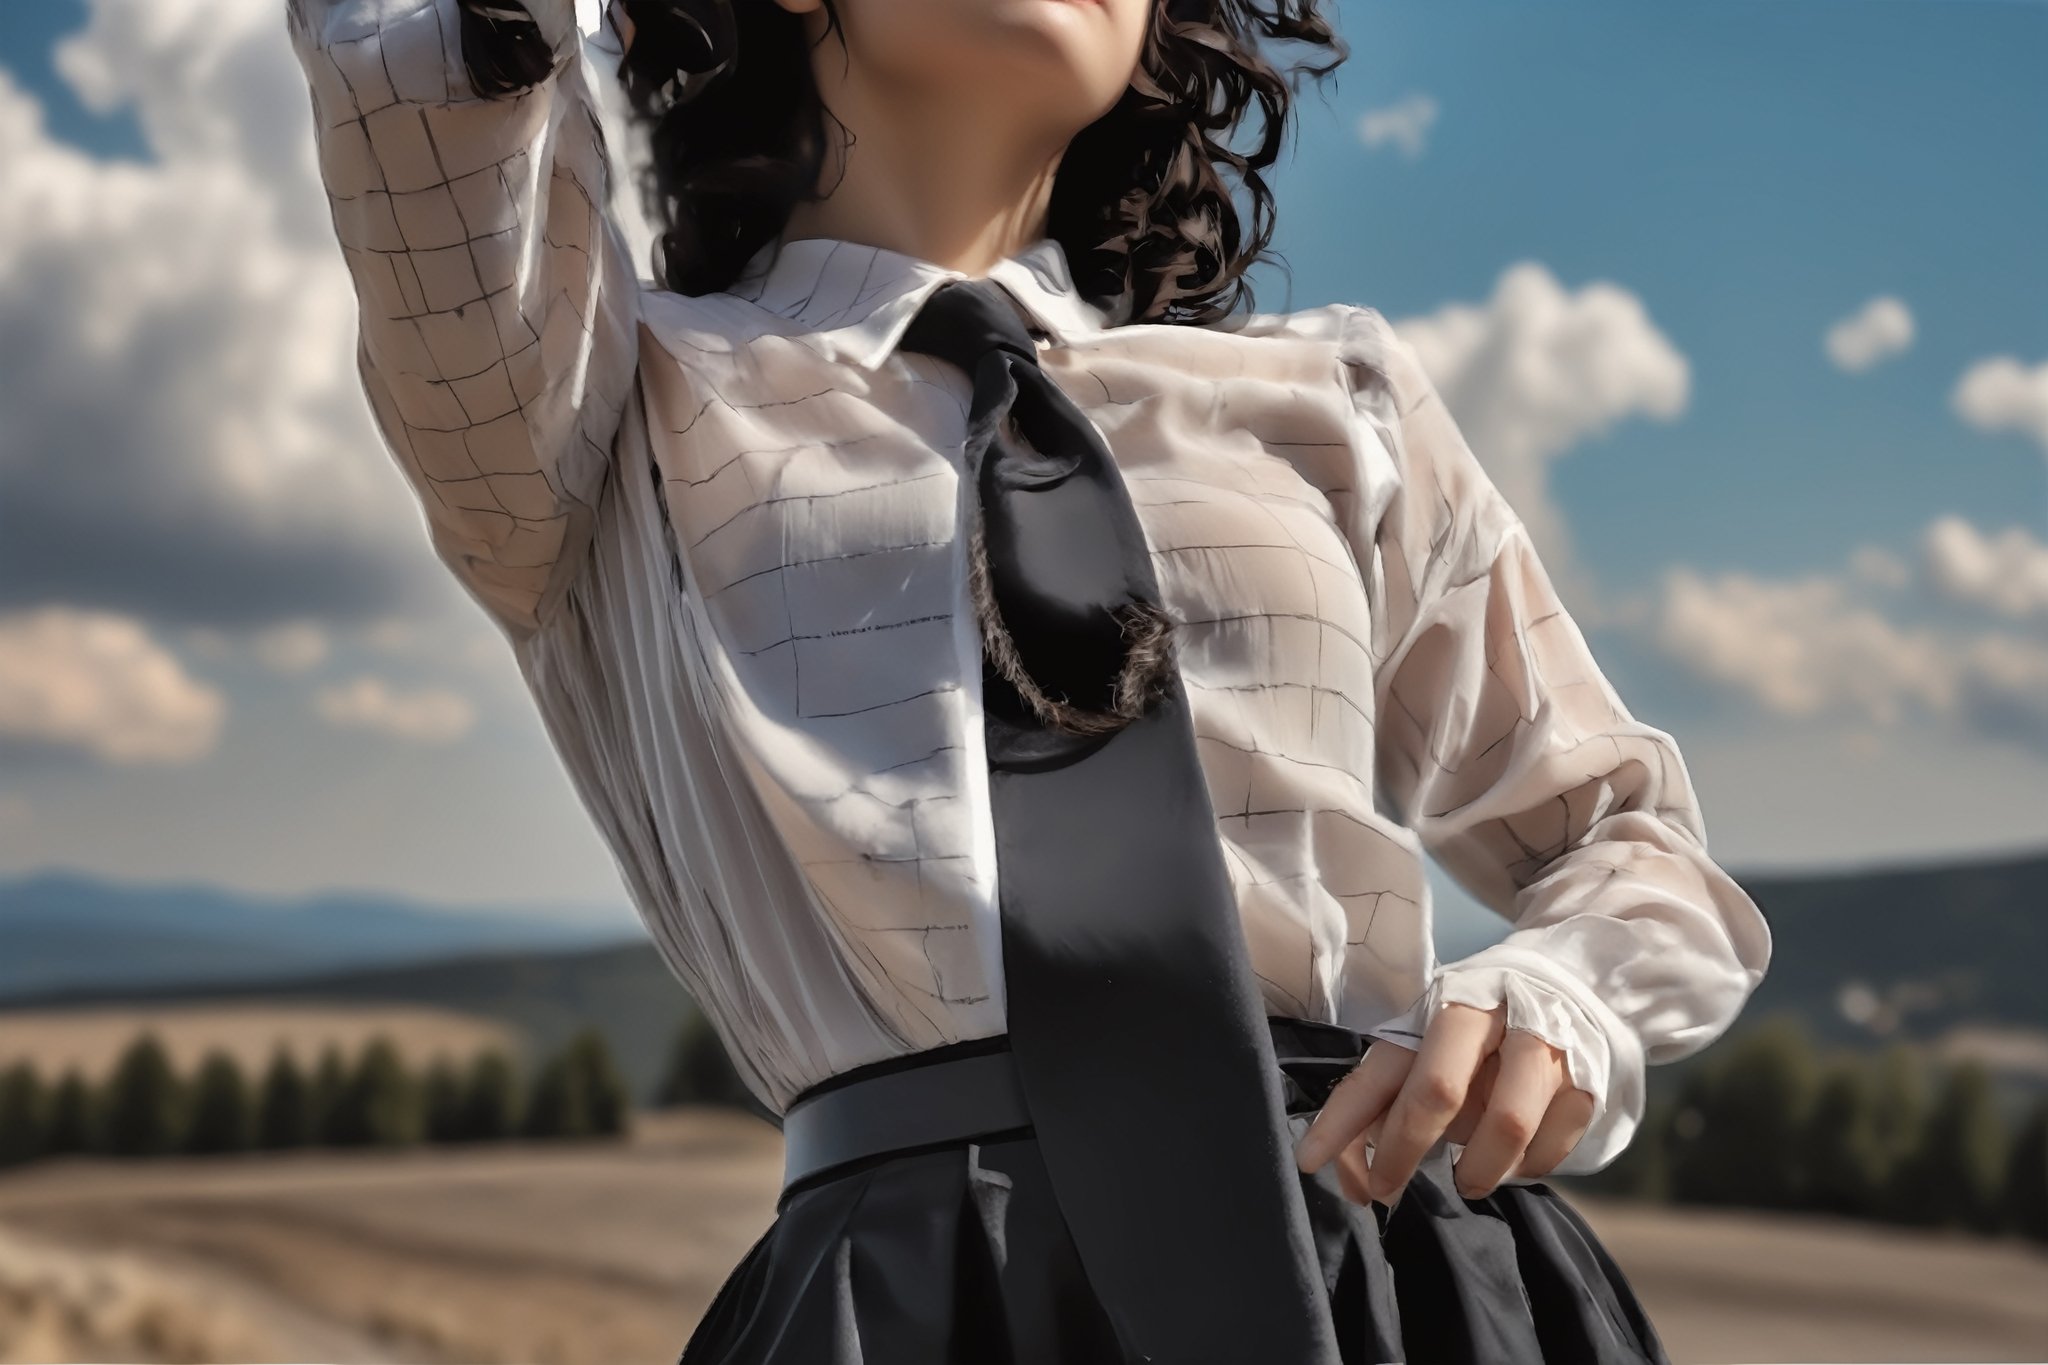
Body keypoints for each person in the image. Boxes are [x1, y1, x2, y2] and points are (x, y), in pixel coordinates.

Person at [285, 0, 1772, 1360]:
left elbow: (1630, 842)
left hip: (1408, 1274)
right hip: (927, 1299)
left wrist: (1555, 993)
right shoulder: (594, 415)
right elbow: (418, 83)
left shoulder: (1335, 398)